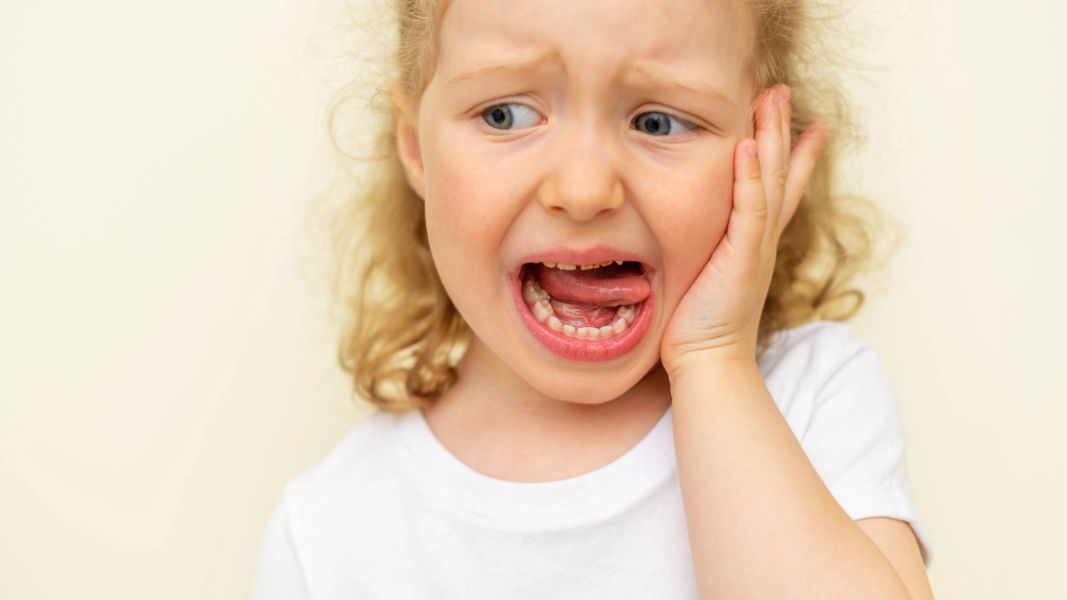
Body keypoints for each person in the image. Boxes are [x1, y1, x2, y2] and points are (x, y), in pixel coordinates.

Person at [252, 0, 935, 597]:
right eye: (505, 113)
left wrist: (711, 359)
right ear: (416, 147)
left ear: (769, 149)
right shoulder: (326, 532)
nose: (582, 190)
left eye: (659, 123)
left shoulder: (812, 400)